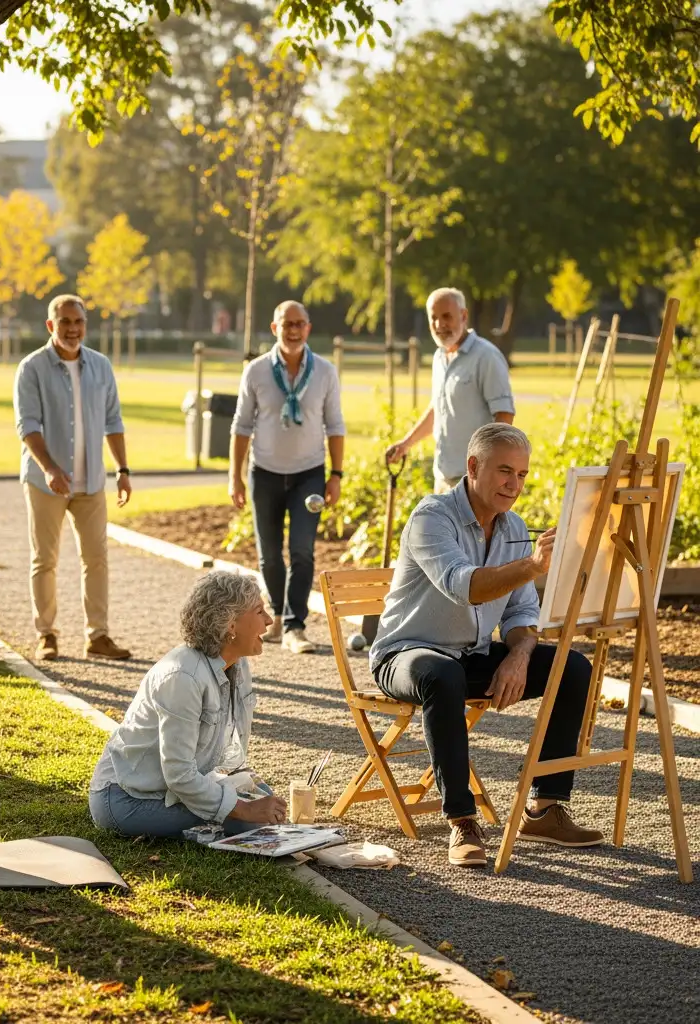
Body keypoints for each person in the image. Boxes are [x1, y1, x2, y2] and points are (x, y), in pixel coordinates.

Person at [369, 423, 604, 867]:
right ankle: (461, 820)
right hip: (405, 655)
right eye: (504, 471)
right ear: (474, 467)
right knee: (442, 673)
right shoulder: (431, 517)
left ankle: (545, 808)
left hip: (470, 655)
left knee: (571, 667)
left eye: (522, 474)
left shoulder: (514, 527)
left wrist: (519, 654)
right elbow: (466, 587)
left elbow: (521, 614)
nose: (514, 485)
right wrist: (532, 564)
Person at [89, 571, 287, 837]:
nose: (269, 620)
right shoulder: (182, 677)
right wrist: (243, 808)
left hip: (170, 788)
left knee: (264, 798)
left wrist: (243, 792)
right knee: (248, 821)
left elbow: (221, 758)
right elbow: (179, 774)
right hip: (127, 798)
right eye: (259, 611)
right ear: (231, 624)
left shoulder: (237, 663)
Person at [14, 294, 132, 662]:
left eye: (78, 321)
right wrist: (50, 468)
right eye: (64, 322)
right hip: (44, 482)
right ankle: (46, 634)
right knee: (44, 560)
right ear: (50, 325)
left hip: (91, 482)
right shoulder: (32, 368)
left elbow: (113, 421)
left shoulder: (100, 365)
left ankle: (98, 635)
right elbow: (27, 425)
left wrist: (123, 470)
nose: (72, 329)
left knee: (96, 559)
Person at [229, 300, 346, 654]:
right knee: (269, 552)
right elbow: (241, 426)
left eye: (299, 324)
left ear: (308, 328)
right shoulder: (256, 371)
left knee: (302, 550)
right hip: (264, 473)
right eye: (286, 324)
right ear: (274, 327)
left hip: (309, 475)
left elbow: (335, 425)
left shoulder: (325, 371)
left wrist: (336, 475)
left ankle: (296, 626)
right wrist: (235, 476)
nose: (293, 330)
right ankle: (277, 616)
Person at [386, 287, 515, 494]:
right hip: (443, 478)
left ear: (463, 316)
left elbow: (504, 416)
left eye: (446, 316)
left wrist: (488, 469)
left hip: (474, 482)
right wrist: (405, 444)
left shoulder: (486, 357)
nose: (439, 324)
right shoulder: (439, 358)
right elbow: (438, 410)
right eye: (434, 318)